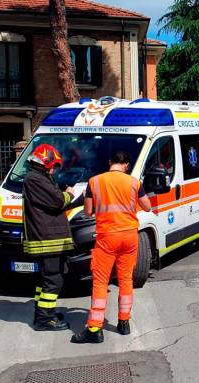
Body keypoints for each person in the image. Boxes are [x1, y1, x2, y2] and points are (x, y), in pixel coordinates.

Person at [71, 151, 152, 344]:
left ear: (110, 162)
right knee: (125, 279)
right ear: (126, 165)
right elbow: (147, 206)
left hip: (107, 237)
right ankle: (124, 323)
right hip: (129, 236)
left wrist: (89, 198)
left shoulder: (95, 182)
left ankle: (94, 329)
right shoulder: (134, 183)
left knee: (100, 281)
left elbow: (89, 212)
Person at [23, 143, 75, 331]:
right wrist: (69, 195)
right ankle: (44, 320)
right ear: (44, 162)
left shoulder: (38, 177)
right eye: (53, 165)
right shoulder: (36, 179)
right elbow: (57, 201)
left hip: (47, 237)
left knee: (45, 280)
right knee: (53, 280)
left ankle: (45, 313)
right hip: (47, 238)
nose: (54, 170)